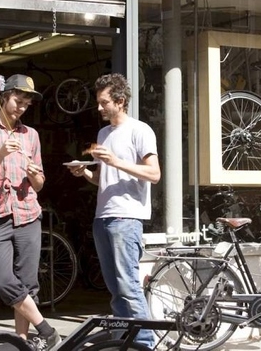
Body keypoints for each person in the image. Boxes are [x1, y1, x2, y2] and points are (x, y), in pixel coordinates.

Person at [67, 73, 161, 349]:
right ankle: (125, 341)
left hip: (126, 217)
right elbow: (104, 179)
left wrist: (117, 162)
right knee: (115, 288)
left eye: (103, 102)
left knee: (129, 286)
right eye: (98, 102)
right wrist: (84, 171)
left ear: (120, 101)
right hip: (103, 216)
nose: (99, 108)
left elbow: (154, 174)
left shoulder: (140, 130)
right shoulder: (103, 134)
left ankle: (144, 344)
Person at [0, 74, 61, 351]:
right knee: (2, 280)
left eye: (26, 104)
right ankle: (46, 329)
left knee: (27, 283)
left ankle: (22, 342)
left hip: (28, 215)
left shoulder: (31, 135)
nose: (21, 108)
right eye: (17, 101)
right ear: (4, 96)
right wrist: (0, 155)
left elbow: (40, 183)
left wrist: (35, 176)